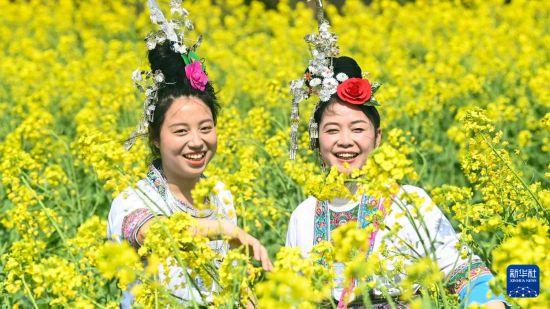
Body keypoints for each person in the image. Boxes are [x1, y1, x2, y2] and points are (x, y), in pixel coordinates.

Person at [285, 56, 507, 309]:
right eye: (332, 130)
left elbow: (464, 273)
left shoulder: (409, 201)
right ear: (316, 139)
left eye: (357, 129)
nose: (345, 141)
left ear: (377, 137)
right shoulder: (302, 215)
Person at [107, 1, 271, 306]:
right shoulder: (132, 201)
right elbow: (157, 234)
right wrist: (224, 229)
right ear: (155, 137)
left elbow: (230, 279)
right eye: (180, 131)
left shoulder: (220, 193)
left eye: (206, 128)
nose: (196, 142)